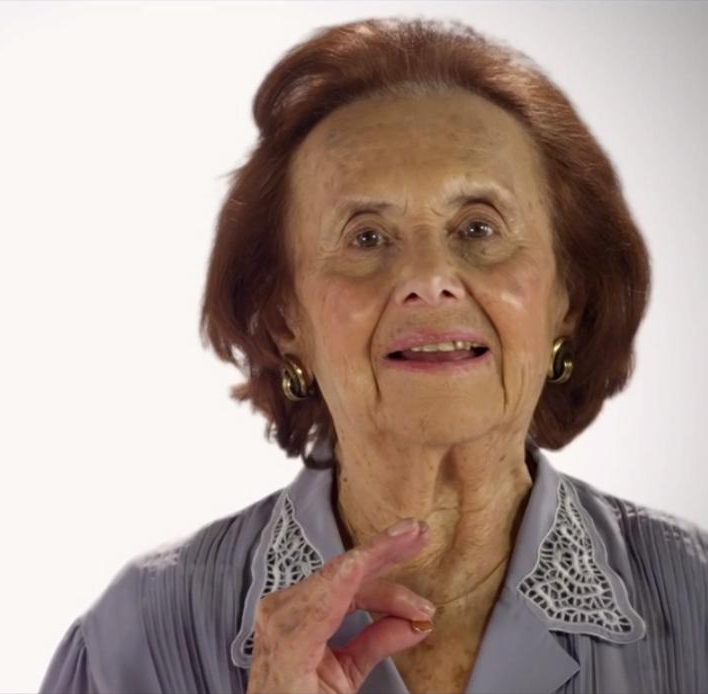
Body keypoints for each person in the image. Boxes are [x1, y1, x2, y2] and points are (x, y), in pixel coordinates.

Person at [39, 16, 708, 694]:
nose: (429, 278)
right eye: (366, 238)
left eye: (479, 228)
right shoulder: (139, 638)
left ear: (568, 298)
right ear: (285, 319)